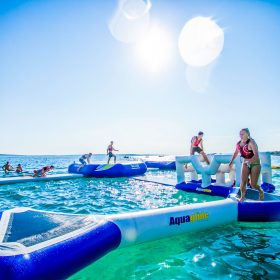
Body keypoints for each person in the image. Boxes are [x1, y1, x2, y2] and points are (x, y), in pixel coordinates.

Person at [229, 128, 264, 202]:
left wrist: (249, 161)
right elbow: (236, 152)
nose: (241, 135)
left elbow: (256, 155)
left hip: (255, 164)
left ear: (247, 134)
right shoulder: (238, 143)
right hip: (245, 163)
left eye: (243, 134)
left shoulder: (251, 142)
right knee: (243, 181)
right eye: (240, 134)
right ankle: (242, 198)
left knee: (253, 184)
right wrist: (231, 161)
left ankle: (261, 191)